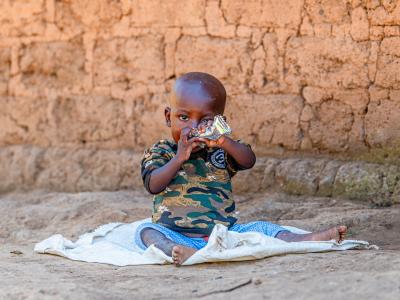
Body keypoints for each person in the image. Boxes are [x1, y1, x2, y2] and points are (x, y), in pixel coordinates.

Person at [135, 72, 347, 266]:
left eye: (206, 120)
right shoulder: (162, 151)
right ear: (167, 116)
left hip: (224, 233)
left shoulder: (219, 150)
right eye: (184, 118)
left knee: (263, 228)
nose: (194, 127)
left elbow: (248, 160)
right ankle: (177, 251)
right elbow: (153, 185)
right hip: (175, 233)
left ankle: (307, 239)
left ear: (220, 123)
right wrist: (179, 158)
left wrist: (223, 141)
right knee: (146, 232)